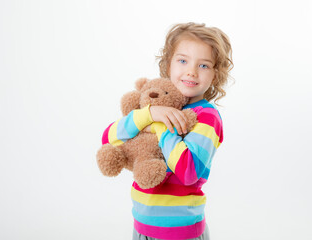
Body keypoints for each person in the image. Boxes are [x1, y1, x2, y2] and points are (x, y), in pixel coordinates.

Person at [100, 22, 233, 240]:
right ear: (168, 65)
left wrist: (161, 124)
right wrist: (148, 115)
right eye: (183, 60)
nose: (191, 71)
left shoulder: (206, 116)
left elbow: (189, 171)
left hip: (181, 232)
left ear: (215, 76)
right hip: (141, 226)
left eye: (203, 65)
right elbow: (108, 138)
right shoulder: (154, 107)